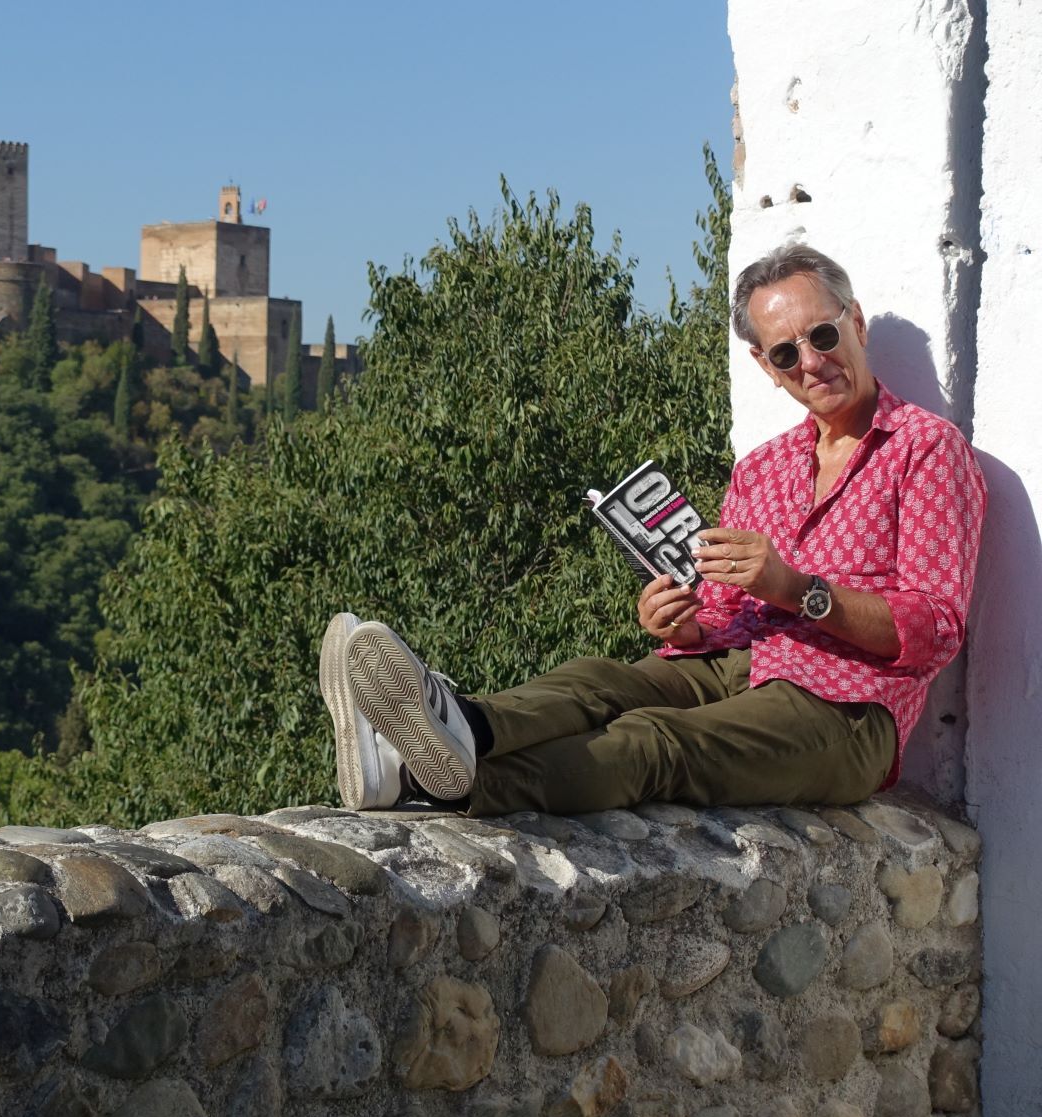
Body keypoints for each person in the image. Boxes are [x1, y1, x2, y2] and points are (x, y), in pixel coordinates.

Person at [318, 242, 985, 817]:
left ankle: (427, 783)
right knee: (597, 681)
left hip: (845, 709)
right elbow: (722, 612)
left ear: (856, 323)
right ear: (765, 367)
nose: (810, 362)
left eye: (822, 336)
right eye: (786, 352)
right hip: (733, 665)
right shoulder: (763, 468)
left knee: (653, 741)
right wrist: (683, 624)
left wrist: (798, 588)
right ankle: (463, 723)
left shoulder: (925, 449)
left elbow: (934, 630)